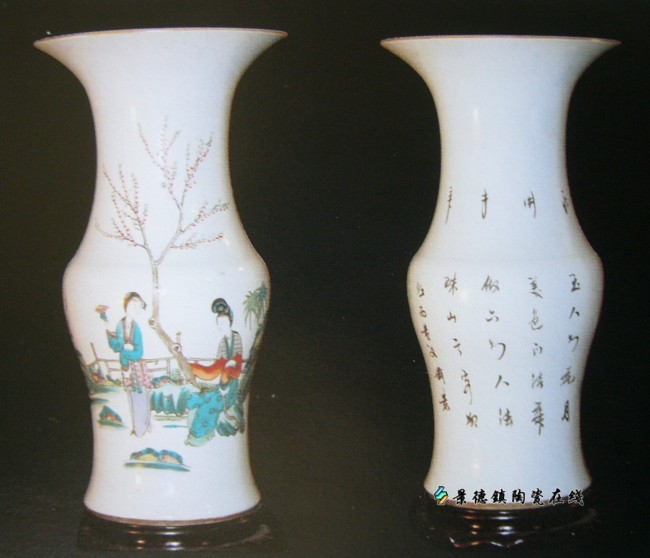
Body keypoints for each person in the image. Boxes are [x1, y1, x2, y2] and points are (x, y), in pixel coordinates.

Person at [185, 298, 245, 445]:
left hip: (232, 383)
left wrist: (231, 365)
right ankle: (195, 433)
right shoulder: (222, 343)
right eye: (219, 323)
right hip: (223, 383)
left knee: (212, 403)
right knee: (206, 400)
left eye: (224, 322)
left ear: (230, 321)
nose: (221, 325)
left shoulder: (237, 337)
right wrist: (195, 369)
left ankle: (200, 435)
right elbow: (217, 366)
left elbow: (237, 362)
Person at [107, 292, 152, 437]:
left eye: (139, 307)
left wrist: (126, 352)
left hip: (137, 367)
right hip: (127, 367)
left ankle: (142, 427)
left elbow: (139, 352)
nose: (136, 309)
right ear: (126, 304)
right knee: (131, 396)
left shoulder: (136, 327)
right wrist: (113, 338)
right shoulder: (120, 325)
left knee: (141, 395)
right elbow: (117, 346)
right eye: (133, 305)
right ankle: (137, 427)